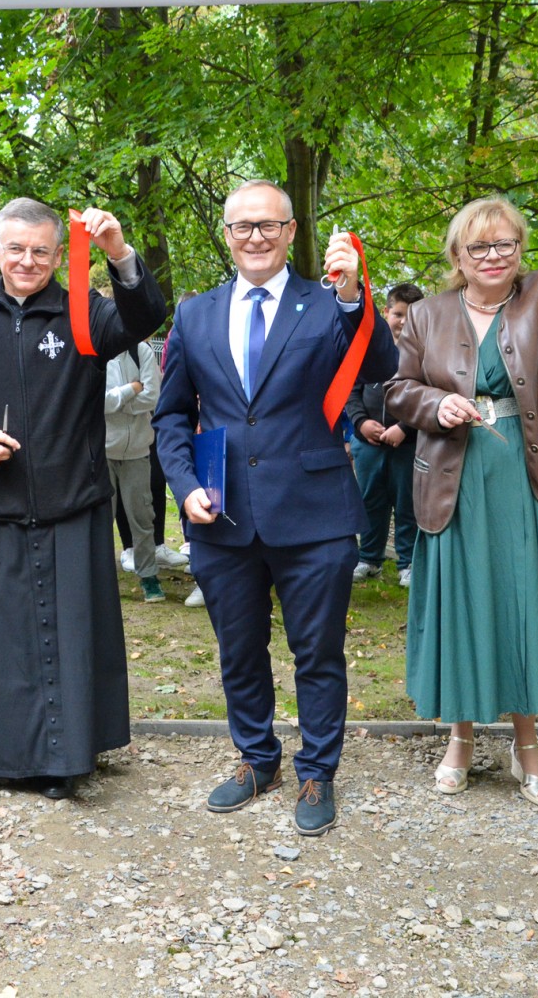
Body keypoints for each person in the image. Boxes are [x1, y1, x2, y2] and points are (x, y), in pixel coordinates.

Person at [154, 180, 397, 836]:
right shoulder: (194, 314)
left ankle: (317, 769)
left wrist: (354, 299)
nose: (255, 237)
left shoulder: (330, 304)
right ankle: (257, 759)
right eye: (242, 227)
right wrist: (184, 486)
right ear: (227, 237)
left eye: (268, 225)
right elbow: (172, 414)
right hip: (221, 513)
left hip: (315, 510)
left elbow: (380, 364)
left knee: (317, 651)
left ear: (292, 232)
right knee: (239, 650)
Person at [385, 158, 538, 809]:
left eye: (506, 243)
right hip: (454, 477)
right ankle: (459, 738)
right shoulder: (426, 316)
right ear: (457, 256)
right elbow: (397, 389)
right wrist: (436, 406)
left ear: (521, 251)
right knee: (464, 603)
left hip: (525, 471)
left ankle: (526, 743)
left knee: (522, 602)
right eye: (478, 246)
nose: (493, 255)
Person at [0, 198, 166, 800]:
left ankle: (66, 760)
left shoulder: (84, 310)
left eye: (40, 251)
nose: (27, 261)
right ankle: (0, 755)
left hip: (71, 504)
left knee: (73, 639)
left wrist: (119, 255)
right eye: (15, 248)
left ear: (59, 255)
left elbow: (143, 319)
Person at [347, 283, 424, 587]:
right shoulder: (367, 347)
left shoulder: (425, 352)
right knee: (370, 500)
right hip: (368, 443)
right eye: (399, 314)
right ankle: (369, 559)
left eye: (412, 315)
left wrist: (404, 428)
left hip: (408, 443)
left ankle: (408, 563)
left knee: (407, 503)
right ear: (386, 312)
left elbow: (428, 396)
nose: (404, 321)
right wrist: (361, 424)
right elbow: (351, 392)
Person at [104, 333, 163, 601]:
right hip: (101, 451)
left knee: (142, 516)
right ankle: (100, 579)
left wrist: (116, 403)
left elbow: (152, 397)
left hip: (138, 450)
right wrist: (130, 390)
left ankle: (148, 576)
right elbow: (94, 401)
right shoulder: (94, 352)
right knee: (101, 519)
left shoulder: (142, 351)